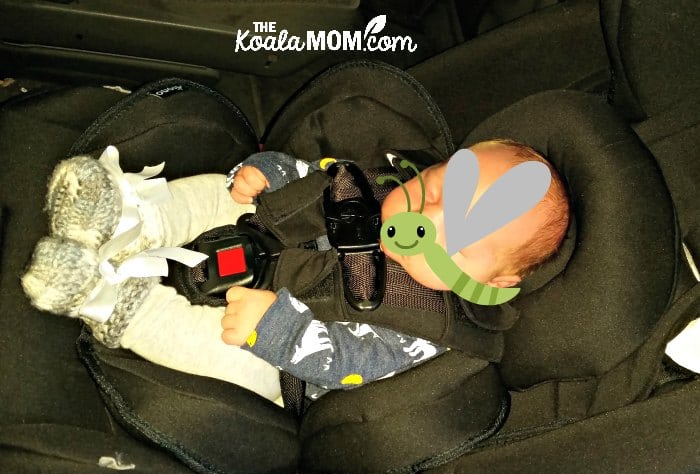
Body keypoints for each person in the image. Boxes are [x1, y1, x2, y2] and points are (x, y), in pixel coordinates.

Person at [21, 139, 569, 404]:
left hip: (288, 347)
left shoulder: (425, 326)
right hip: (271, 238)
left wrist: (279, 332)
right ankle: (122, 217)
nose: (420, 221)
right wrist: (271, 172)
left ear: (492, 281)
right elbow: (317, 177)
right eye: (440, 188)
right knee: (223, 194)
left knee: (219, 350)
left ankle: (107, 299)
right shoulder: (378, 184)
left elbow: (351, 364)